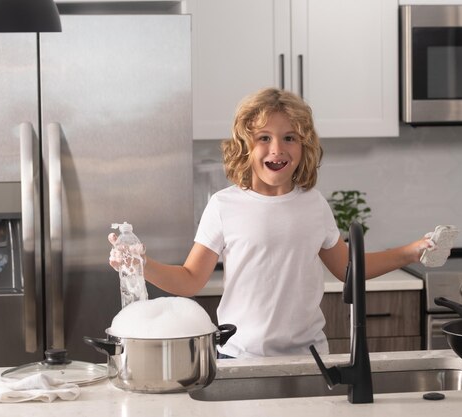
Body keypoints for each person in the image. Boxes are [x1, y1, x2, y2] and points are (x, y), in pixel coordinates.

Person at [109, 87, 435, 359]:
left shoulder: (314, 204)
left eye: (289, 137)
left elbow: (347, 268)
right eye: (263, 137)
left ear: (303, 146)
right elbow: (191, 279)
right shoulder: (224, 205)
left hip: (309, 358)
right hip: (239, 356)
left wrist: (411, 251)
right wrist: (141, 264)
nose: (277, 149)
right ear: (245, 147)